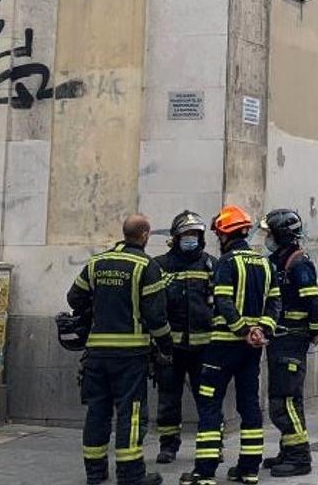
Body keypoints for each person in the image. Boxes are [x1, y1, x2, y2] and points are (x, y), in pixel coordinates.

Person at [69, 215, 173, 485]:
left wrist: (95, 312)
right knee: (131, 413)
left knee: (97, 412)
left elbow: (74, 297)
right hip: (130, 356)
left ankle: (95, 473)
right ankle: (131, 476)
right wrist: (166, 346)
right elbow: (156, 317)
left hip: (96, 354)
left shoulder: (96, 263)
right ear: (145, 235)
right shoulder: (146, 267)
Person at [182, 206, 280, 485]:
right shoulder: (265, 262)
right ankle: (249, 469)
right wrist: (261, 330)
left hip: (222, 347)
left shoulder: (226, 262)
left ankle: (205, 472)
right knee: (249, 405)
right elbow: (275, 303)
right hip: (252, 349)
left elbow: (222, 302)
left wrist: (242, 329)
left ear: (225, 233)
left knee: (210, 405)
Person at [260, 210, 318, 478]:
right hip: (280, 338)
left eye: (270, 233)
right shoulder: (278, 260)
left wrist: (315, 330)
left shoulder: (298, 263)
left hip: (291, 338)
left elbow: (312, 302)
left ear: (282, 235)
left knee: (284, 400)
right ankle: (288, 450)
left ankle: (300, 457)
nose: (266, 238)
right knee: (285, 397)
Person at [151, 211, 214, 464]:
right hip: (170, 348)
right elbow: (152, 305)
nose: (191, 239)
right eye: (187, 235)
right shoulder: (159, 266)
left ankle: (212, 444)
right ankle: (168, 445)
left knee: (208, 399)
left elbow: (221, 303)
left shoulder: (211, 264)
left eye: (195, 235)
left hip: (204, 350)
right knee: (168, 399)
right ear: (176, 237)